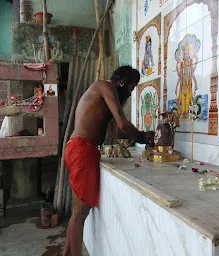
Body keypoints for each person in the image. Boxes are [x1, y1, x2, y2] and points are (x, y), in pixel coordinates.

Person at [63, 66, 154, 256]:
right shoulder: (106, 87)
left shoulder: (104, 93)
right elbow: (122, 124)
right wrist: (142, 137)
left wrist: (134, 135)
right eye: (131, 87)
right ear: (123, 81)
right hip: (82, 149)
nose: (130, 93)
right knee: (79, 215)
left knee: (77, 214)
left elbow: (116, 130)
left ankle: (66, 253)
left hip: (82, 148)